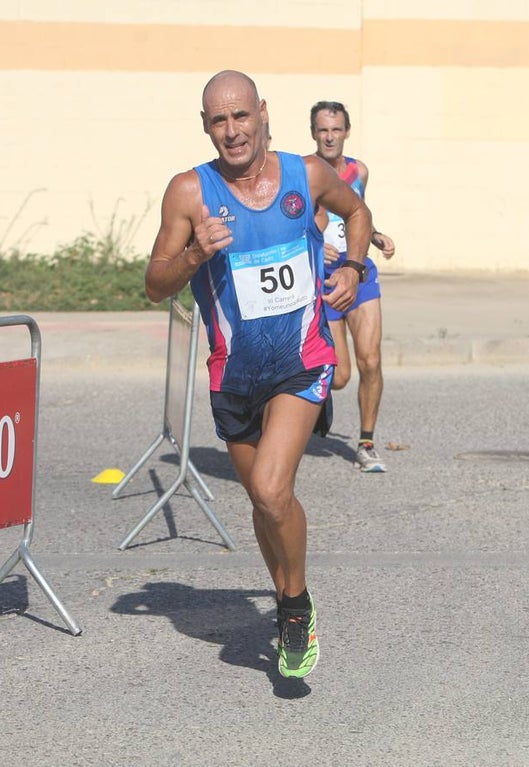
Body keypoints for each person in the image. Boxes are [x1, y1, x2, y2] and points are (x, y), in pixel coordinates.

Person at [146, 70, 373, 678]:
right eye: (219, 120)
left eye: (241, 115)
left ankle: (295, 607)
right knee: (264, 502)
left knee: (272, 489)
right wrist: (196, 253)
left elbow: (357, 212)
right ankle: (284, 595)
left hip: (303, 362)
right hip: (235, 375)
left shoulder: (307, 174)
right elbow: (155, 285)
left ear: (262, 112)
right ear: (205, 126)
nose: (232, 131)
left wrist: (353, 267)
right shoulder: (189, 192)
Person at [310, 101, 396, 473]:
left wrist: (375, 236)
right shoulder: (305, 172)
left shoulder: (359, 171)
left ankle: (366, 444)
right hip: (326, 280)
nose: (330, 137)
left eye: (336, 129)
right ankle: (311, 399)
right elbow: (292, 223)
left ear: (346, 132)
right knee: (340, 376)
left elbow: (357, 213)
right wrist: (315, 245)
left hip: (359, 272)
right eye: (323, 130)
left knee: (371, 361)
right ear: (314, 133)